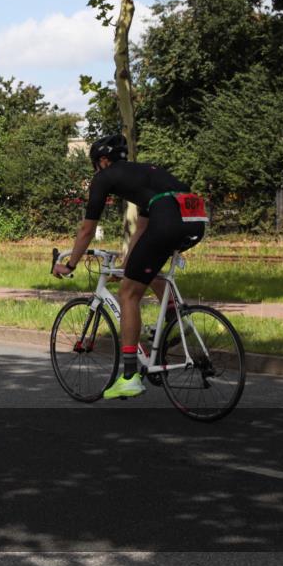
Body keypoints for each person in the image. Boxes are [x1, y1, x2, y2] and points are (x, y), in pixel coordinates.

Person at [52, 134, 207, 399]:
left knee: (128, 293)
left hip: (168, 219)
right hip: (194, 218)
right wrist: (127, 264)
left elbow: (87, 229)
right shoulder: (145, 176)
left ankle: (129, 376)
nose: (96, 171)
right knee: (144, 270)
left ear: (103, 160)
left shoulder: (104, 177)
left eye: (95, 165)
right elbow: (142, 230)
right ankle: (176, 319)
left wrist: (70, 263)